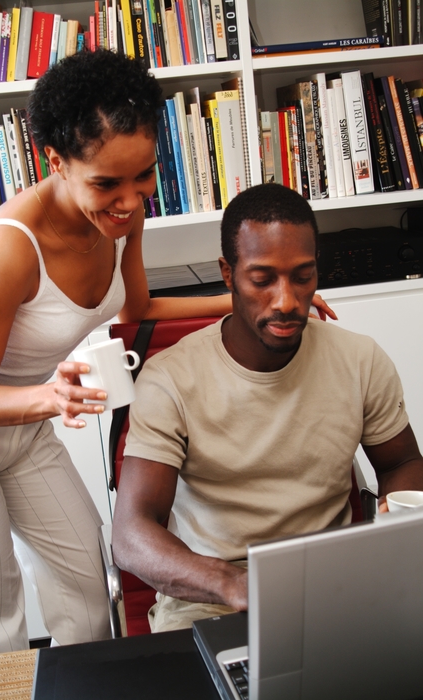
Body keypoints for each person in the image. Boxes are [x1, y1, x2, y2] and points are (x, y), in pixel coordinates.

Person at [0, 51, 332, 658]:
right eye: (107, 183)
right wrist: (49, 395)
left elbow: (135, 309)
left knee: (87, 582)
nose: (130, 201)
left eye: (144, 176)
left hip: (26, 430)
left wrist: (251, 296)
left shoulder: (119, 218)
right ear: (56, 161)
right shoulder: (10, 250)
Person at [112, 182, 423, 634]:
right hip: (212, 601)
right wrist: (231, 582)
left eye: (303, 276)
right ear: (228, 273)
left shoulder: (360, 359)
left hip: (333, 584)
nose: (286, 300)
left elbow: (403, 461)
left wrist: (396, 523)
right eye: (262, 280)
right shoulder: (169, 378)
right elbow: (131, 532)